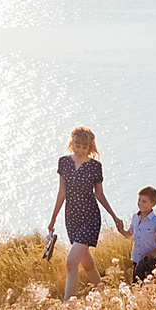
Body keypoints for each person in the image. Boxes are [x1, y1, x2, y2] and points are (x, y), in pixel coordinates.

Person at [46, 126, 127, 300]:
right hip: (72, 218)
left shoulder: (95, 166)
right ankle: (105, 297)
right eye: (77, 145)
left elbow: (99, 194)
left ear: (90, 147)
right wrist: (53, 219)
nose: (80, 150)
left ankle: (68, 306)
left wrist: (114, 217)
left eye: (84, 147)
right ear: (72, 143)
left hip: (90, 218)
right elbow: (62, 192)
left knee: (71, 262)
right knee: (87, 263)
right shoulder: (63, 162)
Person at [128, 186, 156, 281]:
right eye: (139, 200)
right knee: (136, 284)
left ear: (153, 203)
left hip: (150, 261)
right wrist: (120, 229)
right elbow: (129, 234)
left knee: (149, 285)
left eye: (144, 201)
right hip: (136, 258)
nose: (140, 203)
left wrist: (155, 252)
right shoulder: (135, 217)